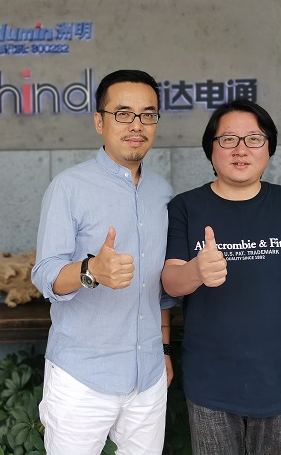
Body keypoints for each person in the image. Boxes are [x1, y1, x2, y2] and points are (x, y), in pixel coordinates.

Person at [161, 99, 281, 455]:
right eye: (228, 139)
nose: (241, 150)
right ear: (211, 149)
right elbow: (170, 282)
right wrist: (196, 270)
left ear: (268, 148)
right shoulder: (185, 207)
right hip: (210, 383)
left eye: (254, 139)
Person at [31, 69, 176, 455]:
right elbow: (45, 274)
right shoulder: (69, 187)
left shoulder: (163, 193)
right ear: (100, 121)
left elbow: (160, 290)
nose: (137, 125)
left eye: (148, 114)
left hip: (147, 377)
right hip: (82, 376)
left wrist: (164, 352)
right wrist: (89, 270)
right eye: (123, 113)